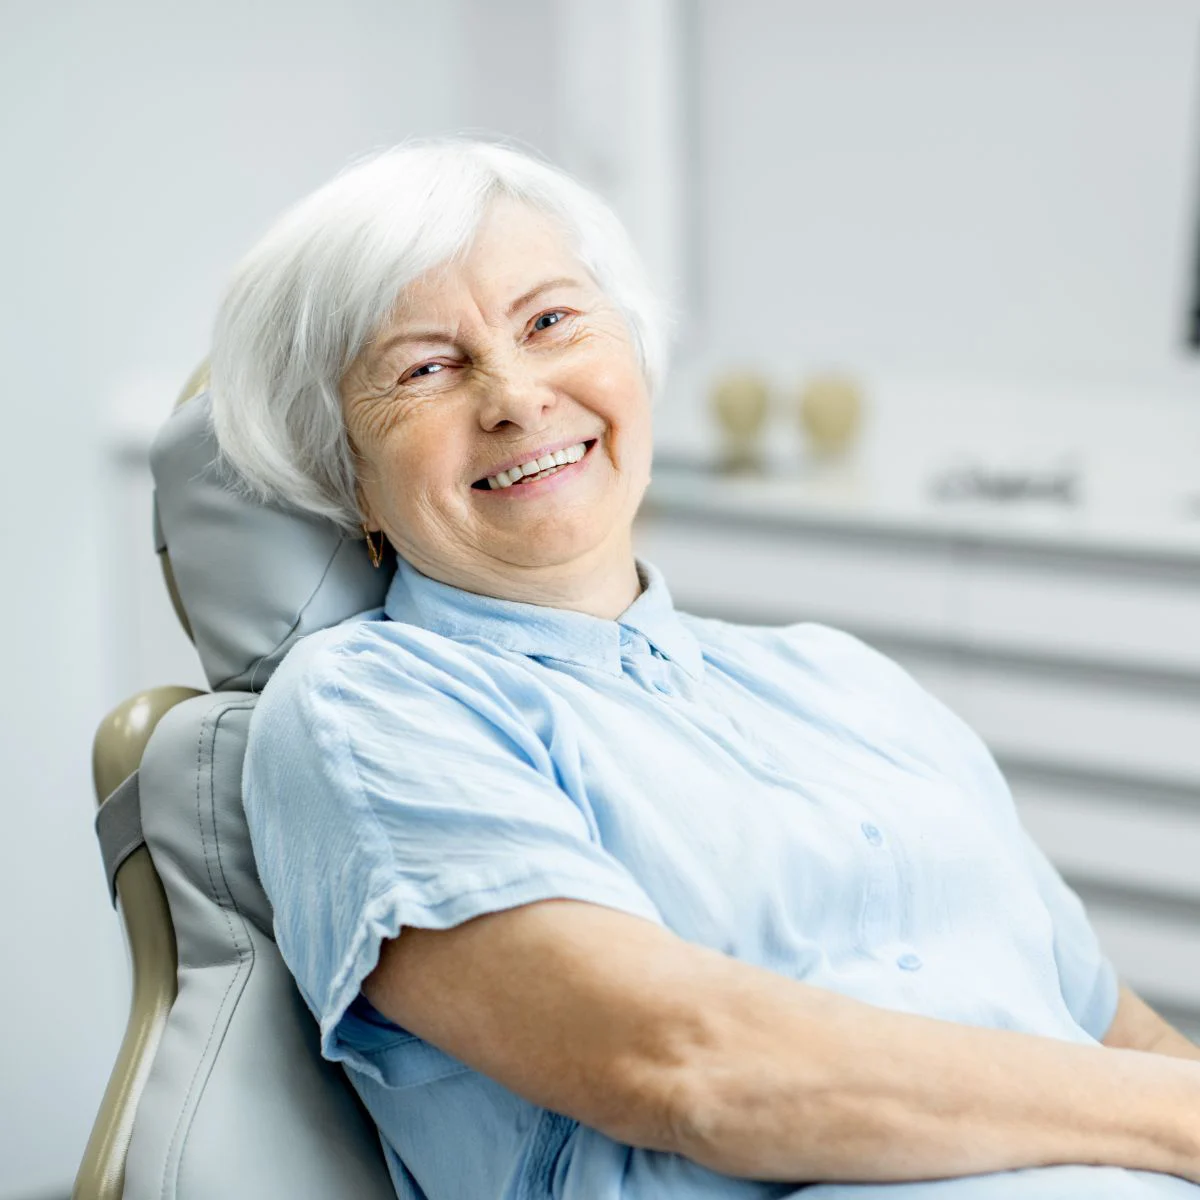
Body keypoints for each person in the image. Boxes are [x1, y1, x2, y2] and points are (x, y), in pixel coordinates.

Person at [209, 138, 1200, 1199]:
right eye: (426, 369)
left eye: (550, 322)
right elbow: (690, 1067)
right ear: (347, 479)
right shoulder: (368, 707)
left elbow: (1116, 1030)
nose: (516, 395)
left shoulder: (843, 680)